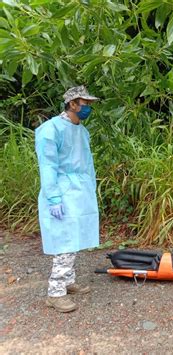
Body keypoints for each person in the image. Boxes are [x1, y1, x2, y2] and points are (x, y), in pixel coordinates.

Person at [35, 86, 100, 313]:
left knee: (75, 239)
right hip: (61, 191)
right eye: (85, 103)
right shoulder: (50, 130)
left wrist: (90, 187)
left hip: (79, 191)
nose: (88, 108)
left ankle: (68, 281)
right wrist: (53, 198)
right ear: (72, 104)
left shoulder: (81, 131)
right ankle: (55, 293)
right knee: (65, 241)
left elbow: (87, 163)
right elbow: (48, 166)